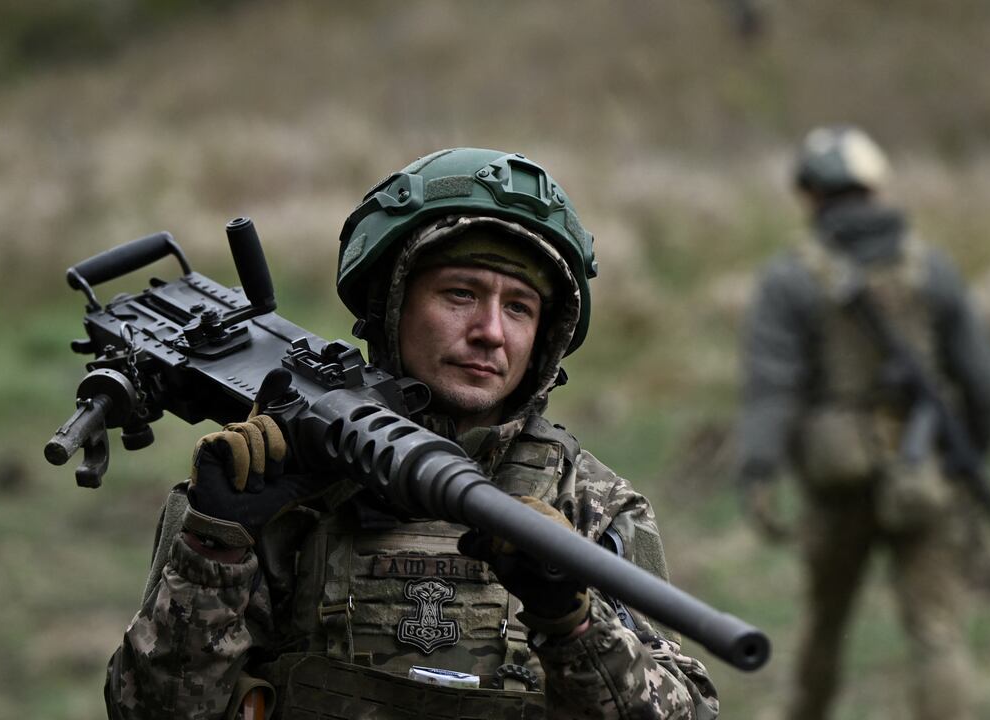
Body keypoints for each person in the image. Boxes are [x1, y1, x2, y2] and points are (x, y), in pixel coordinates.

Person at [104, 147, 720, 720]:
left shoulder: (592, 505)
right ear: (393, 306)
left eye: (519, 308)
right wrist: (215, 548)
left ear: (545, 340)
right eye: (460, 294)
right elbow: (150, 710)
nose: (490, 332)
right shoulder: (275, 476)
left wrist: (572, 622)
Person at [737, 126, 990, 720]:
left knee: (824, 624)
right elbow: (983, 382)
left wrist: (758, 470)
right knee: (937, 636)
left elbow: (771, 386)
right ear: (875, 188)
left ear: (810, 195)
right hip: (928, 476)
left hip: (837, 483)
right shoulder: (931, 268)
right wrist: (967, 458)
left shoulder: (790, 278)